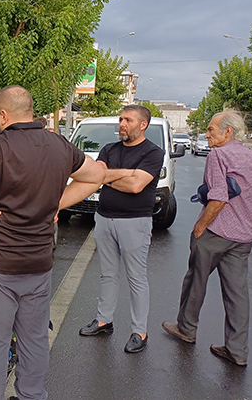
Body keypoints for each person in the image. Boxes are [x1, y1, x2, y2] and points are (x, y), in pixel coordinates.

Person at [0, 86, 105, 400]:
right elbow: (95, 176)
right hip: (39, 267)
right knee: (33, 342)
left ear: (3, 115)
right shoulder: (60, 145)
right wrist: (56, 204)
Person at [162, 111, 252, 366]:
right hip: (243, 238)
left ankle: (186, 329)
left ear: (227, 132)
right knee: (237, 294)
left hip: (215, 233)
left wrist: (200, 226)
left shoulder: (218, 156)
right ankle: (237, 351)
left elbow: (219, 197)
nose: (207, 134)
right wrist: (246, 221)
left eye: (211, 130)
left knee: (195, 282)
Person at [76, 105, 164, 354]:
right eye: (121, 119)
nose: (122, 124)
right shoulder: (109, 149)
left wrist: (108, 177)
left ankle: (139, 331)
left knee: (136, 277)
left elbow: (137, 186)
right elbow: (94, 177)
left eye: (128, 120)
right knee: (107, 274)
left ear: (142, 125)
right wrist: (123, 174)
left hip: (134, 222)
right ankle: (104, 320)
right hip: (104, 219)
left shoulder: (154, 153)